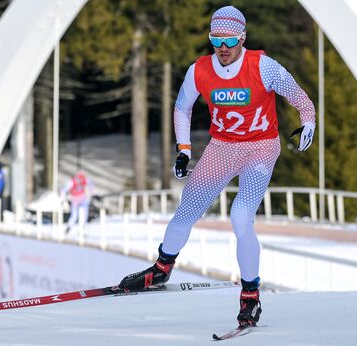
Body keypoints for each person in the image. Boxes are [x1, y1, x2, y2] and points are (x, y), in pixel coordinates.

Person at [118, 6, 315, 327]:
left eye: (229, 40)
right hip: (222, 147)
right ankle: (161, 269)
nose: (222, 47)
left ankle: (251, 295)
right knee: (187, 210)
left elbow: (298, 95)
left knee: (240, 216)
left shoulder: (262, 66)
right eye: (215, 39)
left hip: (261, 148)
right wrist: (183, 149)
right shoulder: (200, 70)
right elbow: (182, 108)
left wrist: (308, 121)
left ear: (242, 37)